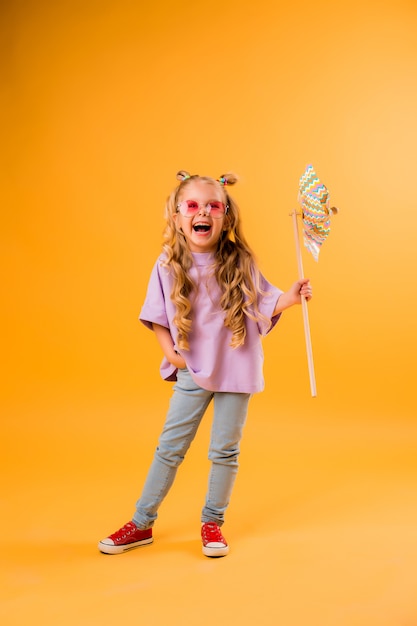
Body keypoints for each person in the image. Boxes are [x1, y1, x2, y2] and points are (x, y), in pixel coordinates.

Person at [98, 170, 312, 558]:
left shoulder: (241, 260)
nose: (204, 213)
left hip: (236, 369)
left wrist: (291, 298)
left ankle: (212, 523)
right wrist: (170, 353)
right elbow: (157, 315)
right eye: (193, 206)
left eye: (214, 206)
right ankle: (142, 522)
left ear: (226, 216)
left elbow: (265, 302)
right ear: (178, 216)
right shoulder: (166, 264)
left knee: (225, 451)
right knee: (170, 448)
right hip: (192, 369)